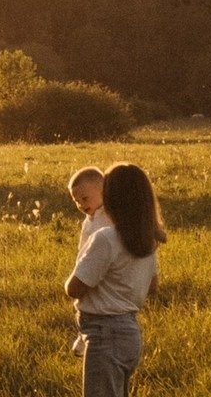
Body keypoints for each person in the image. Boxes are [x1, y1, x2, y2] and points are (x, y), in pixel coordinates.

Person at [64, 161, 165, 397]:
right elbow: (153, 287)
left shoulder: (105, 238)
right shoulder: (147, 239)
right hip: (129, 334)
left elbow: (75, 288)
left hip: (105, 334)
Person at [67, 166, 111, 357]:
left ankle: (90, 337)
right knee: (83, 300)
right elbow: (83, 247)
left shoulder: (109, 215)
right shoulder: (89, 220)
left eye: (85, 199)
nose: (81, 205)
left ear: (102, 193)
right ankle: (84, 334)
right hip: (87, 265)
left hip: (104, 267)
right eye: (76, 201)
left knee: (97, 302)